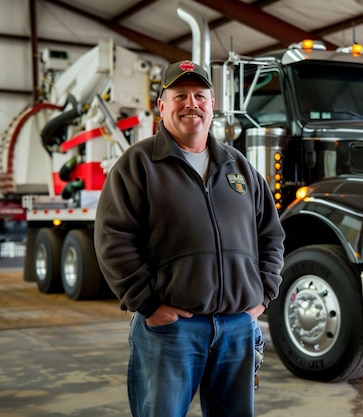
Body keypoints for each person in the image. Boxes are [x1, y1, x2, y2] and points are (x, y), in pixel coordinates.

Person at [94, 59, 285, 417]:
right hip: (172, 329)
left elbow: (271, 235)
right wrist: (147, 303)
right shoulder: (137, 165)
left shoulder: (239, 167)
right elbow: (112, 239)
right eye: (180, 95)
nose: (191, 103)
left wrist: (263, 294)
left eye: (200, 95)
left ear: (213, 106)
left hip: (237, 327)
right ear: (162, 106)